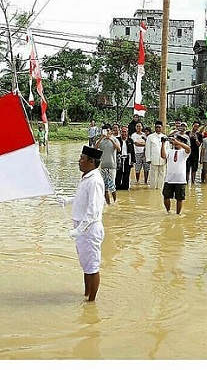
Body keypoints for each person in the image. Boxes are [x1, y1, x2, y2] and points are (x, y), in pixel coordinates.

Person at [66, 145, 105, 302]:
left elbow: (93, 210)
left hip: (89, 230)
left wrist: (80, 229)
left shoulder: (95, 180)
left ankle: (91, 302)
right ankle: (86, 294)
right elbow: (82, 199)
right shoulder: (86, 177)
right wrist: (67, 200)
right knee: (86, 264)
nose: (79, 161)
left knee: (92, 266)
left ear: (91, 162)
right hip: (82, 229)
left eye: (82, 158)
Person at [161, 134, 191, 214]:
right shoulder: (169, 150)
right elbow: (163, 156)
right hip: (169, 178)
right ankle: (168, 212)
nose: (176, 143)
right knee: (166, 196)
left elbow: (188, 149)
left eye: (179, 141)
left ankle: (178, 214)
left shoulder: (184, 152)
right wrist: (163, 143)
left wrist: (177, 141)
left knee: (179, 198)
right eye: (175, 141)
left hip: (180, 179)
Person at [95, 124, 120, 204]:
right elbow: (95, 148)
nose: (106, 132)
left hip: (112, 166)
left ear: (111, 131)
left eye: (108, 130)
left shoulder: (115, 139)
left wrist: (111, 139)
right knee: (105, 187)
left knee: (112, 185)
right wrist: (101, 138)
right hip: (103, 166)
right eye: (105, 130)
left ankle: (115, 201)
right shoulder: (100, 141)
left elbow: (118, 149)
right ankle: (108, 203)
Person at [145, 121, 167, 190]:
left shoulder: (165, 137)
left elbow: (167, 148)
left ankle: (160, 188)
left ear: (162, 128)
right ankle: (153, 188)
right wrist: (148, 158)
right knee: (153, 174)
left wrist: (167, 158)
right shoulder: (150, 137)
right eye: (156, 127)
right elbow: (147, 148)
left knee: (162, 174)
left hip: (163, 159)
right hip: (153, 158)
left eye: (159, 127)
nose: (158, 129)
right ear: (154, 128)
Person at [115, 126, 136, 190]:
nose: (124, 133)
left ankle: (125, 187)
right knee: (118, 173)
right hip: (119, 159)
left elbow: (132, 151)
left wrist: (133, 160)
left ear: (127, 132)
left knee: (127, 174)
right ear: (120, 132)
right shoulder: (116, 139)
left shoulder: (130, 140)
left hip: (127, 159)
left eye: (125, 132)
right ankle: (117, 187)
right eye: (122, 132)